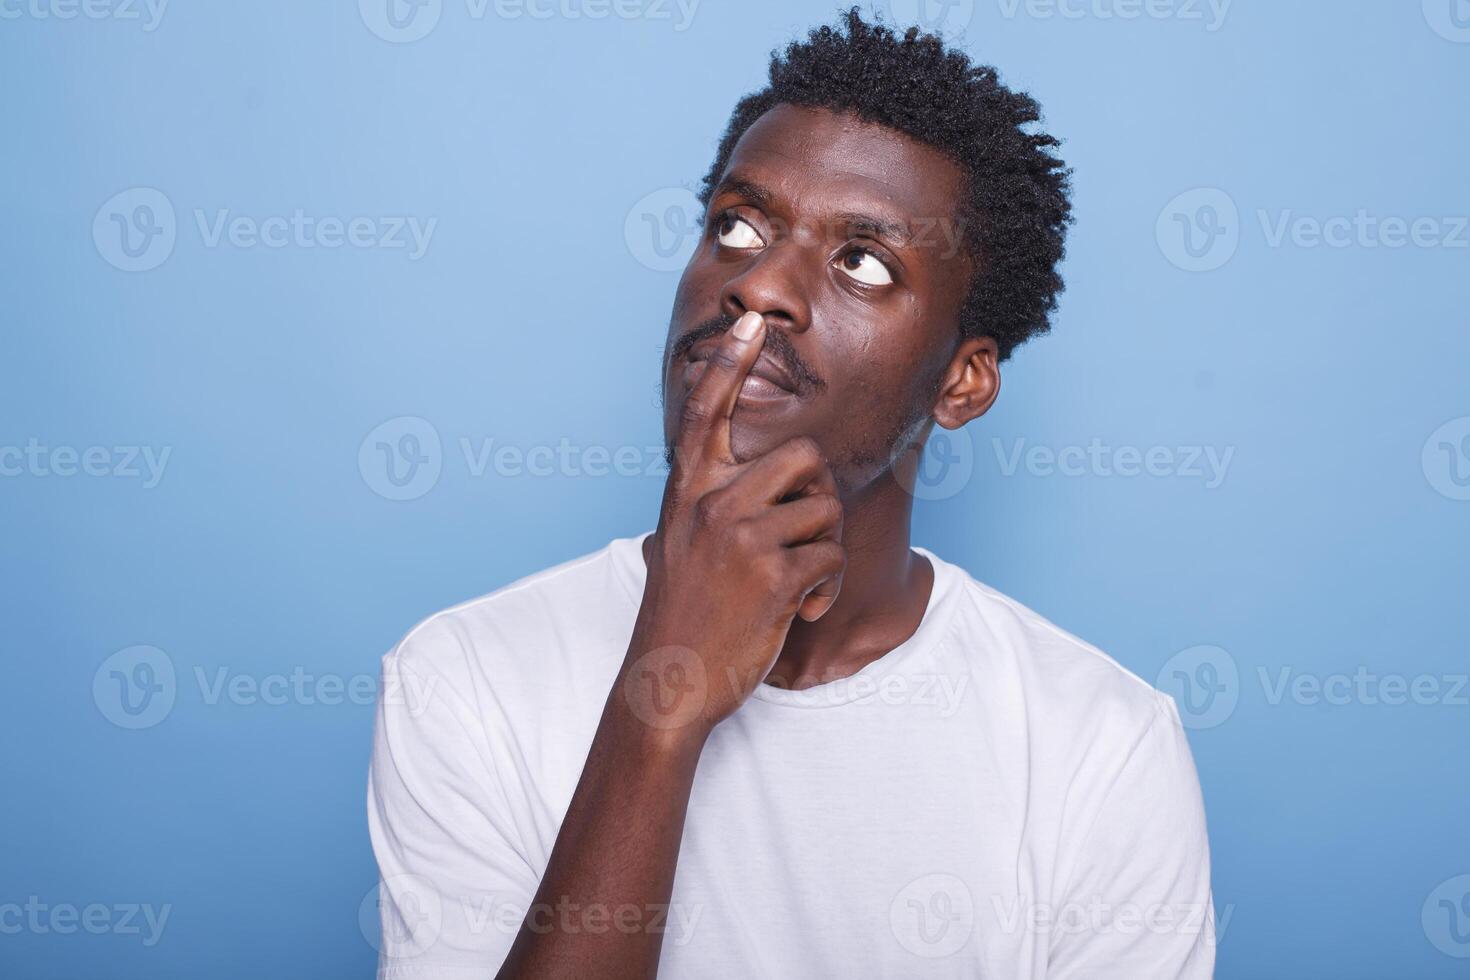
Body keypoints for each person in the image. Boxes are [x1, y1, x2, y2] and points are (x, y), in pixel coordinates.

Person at [367, 8, 1214, 978]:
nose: (760, 284)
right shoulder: (468, 678)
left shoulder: (1099, 747)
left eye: (862, 260)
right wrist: (663, 702)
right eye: (737, 225)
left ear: (962, 381)